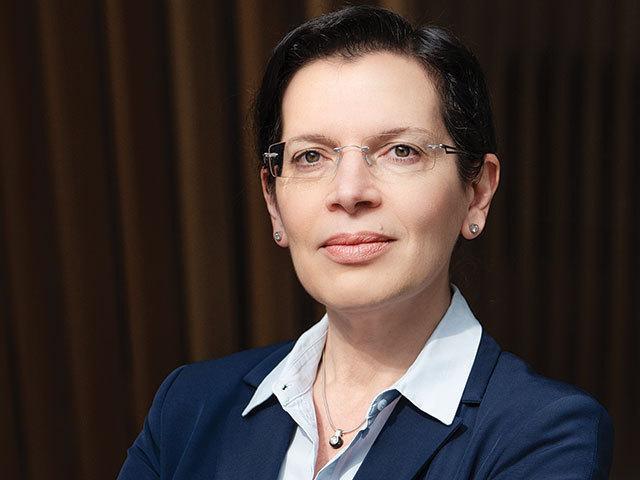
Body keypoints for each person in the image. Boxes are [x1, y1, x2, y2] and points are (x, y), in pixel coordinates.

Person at [118, 5, 613, 479]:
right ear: (273, 201)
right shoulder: (189, 408)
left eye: (401, 151)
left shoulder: (543, 433)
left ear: (478, 192)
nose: (349, 192)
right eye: (311, 156)